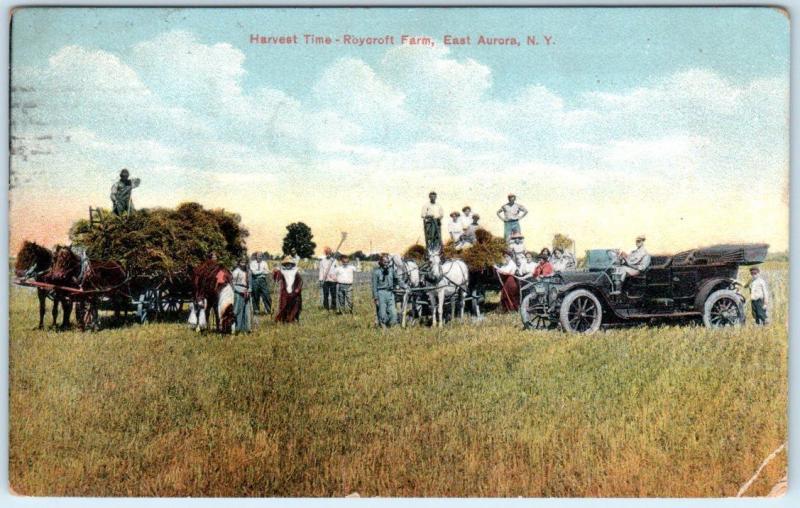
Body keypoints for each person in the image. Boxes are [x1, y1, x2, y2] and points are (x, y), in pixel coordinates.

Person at [372, 254, 401, 328]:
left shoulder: (391, 270)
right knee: (382, 312)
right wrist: (376, 298)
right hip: (381, 293)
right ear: (381, 262)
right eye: (385, 262)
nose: (386, 264)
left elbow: (398, 280)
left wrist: (404, 286)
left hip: (390, 293)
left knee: (393, 313)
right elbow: (374, 286)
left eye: (388, 262)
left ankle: (391, 324)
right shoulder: (376, 272)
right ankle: (383, 326)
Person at [273, 256, 303, 323]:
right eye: (286, 264)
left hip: (294, 292)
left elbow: (300, 281)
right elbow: (276, 279)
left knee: (294, 306)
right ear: (284, 264)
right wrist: (275, 273)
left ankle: (292, 319)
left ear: (292, 264)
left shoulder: (296, 272)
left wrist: (298, 289)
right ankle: (282, 319)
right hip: (285, 292)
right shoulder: (282, 272)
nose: (288, 265)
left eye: (289, 264)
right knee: (284, 306)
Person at [231, 257, 252, 333]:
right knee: (238, 310)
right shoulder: (236, 272)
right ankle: (237, 328)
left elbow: (250, 283)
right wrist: (240, 291)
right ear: (239, 263)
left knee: (246, 310)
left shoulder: (248, 272)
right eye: (242, 262)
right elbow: (233, 284)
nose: (243, 264)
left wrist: (249, 290)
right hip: (238, 292)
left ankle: (246, 328)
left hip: (246, 291)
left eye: (245, 262)